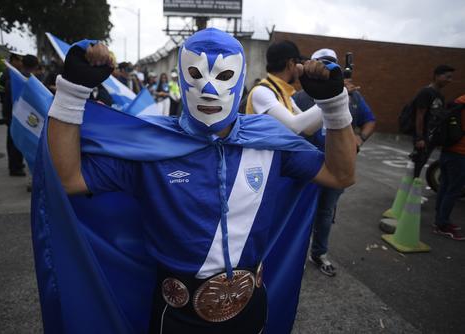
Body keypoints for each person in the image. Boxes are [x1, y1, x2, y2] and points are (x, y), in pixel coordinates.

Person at [43, 28, 356, 333]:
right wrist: (72, 89)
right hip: (178, 315)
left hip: (250, 306)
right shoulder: (152, 146)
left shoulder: (268, 142)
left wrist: (334, 104)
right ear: (182, 76)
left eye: (222, 76)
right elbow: (68, 179)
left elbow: (341, 174)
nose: (208, 90)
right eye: (196, 74)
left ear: (240, 78)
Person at [294, 48, 376, 276]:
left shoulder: (352, 96)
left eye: (330, 63)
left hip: (336, 165)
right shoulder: (301, 95)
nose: (324, 68)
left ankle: (319, 252)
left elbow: (369, 121)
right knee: (302, 212)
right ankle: (297, 253)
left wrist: (359, 138)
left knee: (326, 212)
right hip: (309, 166)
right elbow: (292, 128)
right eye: (321, 63)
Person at [245, 40, 323, 136]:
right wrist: (330, 98)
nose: (299, 68)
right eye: (297, 63)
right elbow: (294, 126)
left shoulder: (283, 94)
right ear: (290, 64)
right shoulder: (262, 91)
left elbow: (307, 129)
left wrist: (325, 96)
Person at [0, 53, 39, 176]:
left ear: (22, 63)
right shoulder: (30, 81)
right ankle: (15, 167)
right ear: (35, 66)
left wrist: (6, 115)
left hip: (13, 113)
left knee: (13, 139)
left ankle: (16, 164)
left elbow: (5, 98)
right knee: (17, 141)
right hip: (21, 115)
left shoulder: (14, 77)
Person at [410, 65, 454, 177]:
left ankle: (412, 190)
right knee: (417, 166)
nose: (450, 80)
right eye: (447, 77)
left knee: (421, 164)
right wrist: (419, 138)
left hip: (432, 137)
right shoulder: (426, 93)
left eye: (451, 77)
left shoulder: (439, 95)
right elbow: (419, 116)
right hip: (423, 138)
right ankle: (409, 191)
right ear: (437, 76)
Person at [433, 94, 465, 240]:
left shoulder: (458, 102)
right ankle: (442, 224)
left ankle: (439, 219)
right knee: (453, 190)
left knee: (445, 186)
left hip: (448, 151)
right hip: (460, 154)